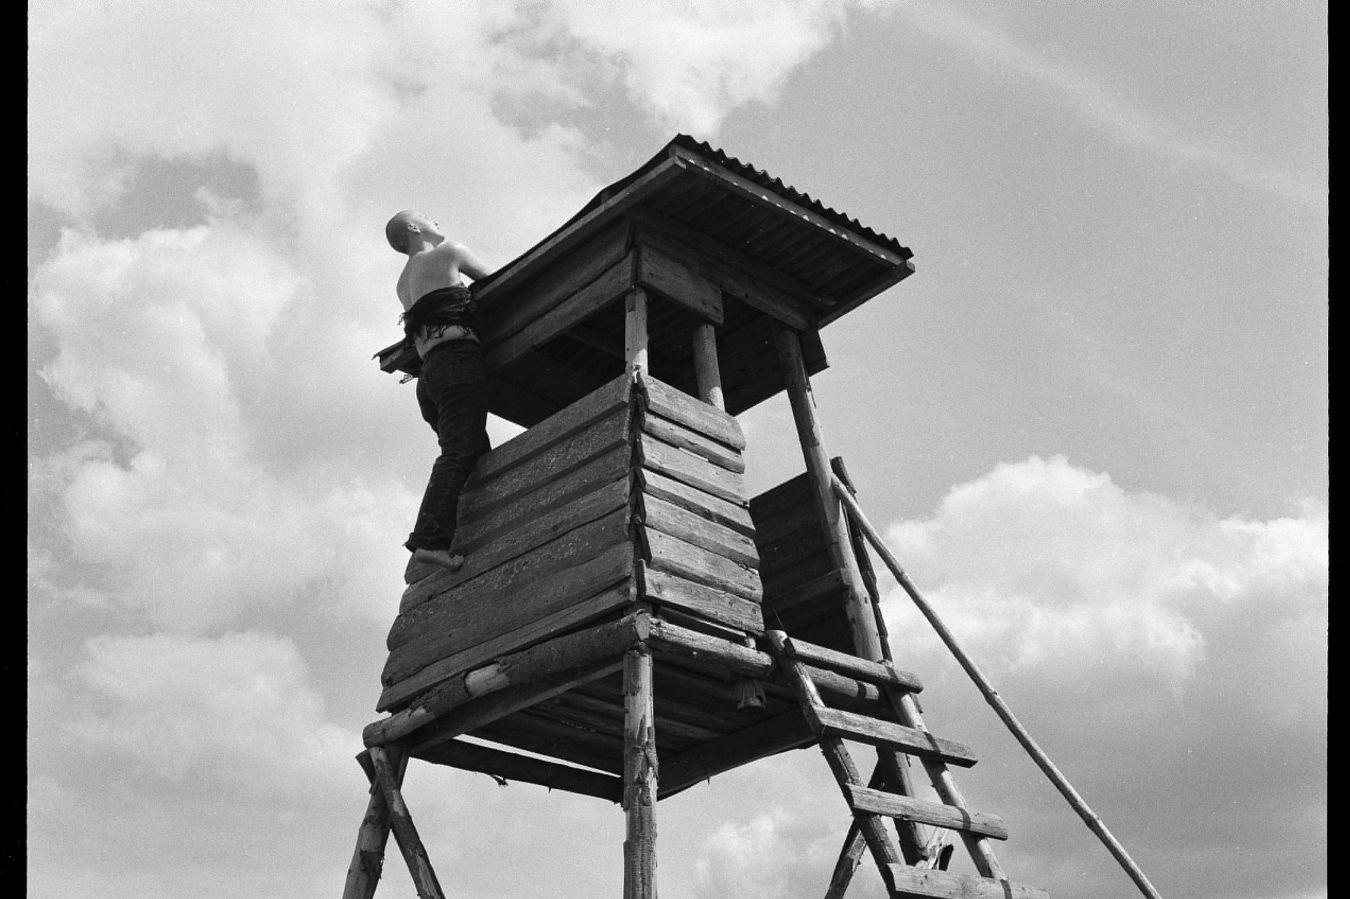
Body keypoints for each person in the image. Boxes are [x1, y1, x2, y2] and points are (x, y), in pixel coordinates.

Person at [386, 210, 493, 576]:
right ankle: (430, 541)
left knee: (471, 454)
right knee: (459, 452)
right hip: (456, 362)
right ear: (414, 228)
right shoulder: (449, 252)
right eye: (426, 216)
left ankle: (470, 531)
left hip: (428, 377)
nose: (436, 219)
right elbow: (496, 280)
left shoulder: (403, 283)